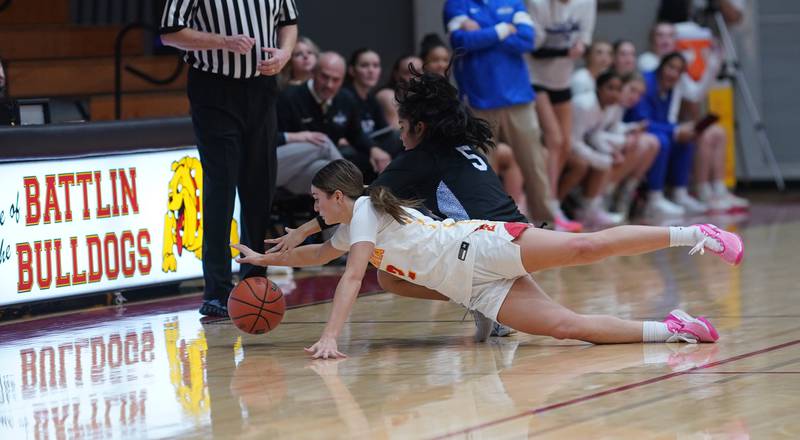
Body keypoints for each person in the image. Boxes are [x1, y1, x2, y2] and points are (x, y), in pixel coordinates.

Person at [234, 158, 742, 359]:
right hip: (474, 288)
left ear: (337, 196)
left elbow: (348, 279)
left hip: (481, 245)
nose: (314, 209)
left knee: (586, 246)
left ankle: (696, 231)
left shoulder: (364, 209)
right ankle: (677, 328)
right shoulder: (352, 224)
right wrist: (261, 256)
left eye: (318, 201)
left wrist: (329, 336)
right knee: (568, 328)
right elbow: (321, 251)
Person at [267, 69, 532, 340]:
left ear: (420, 128)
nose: (400, 137)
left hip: (489, 244)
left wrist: (303, 230)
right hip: (522, 232)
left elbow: (356, 197)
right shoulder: (465, 148)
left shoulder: (418, 159)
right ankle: (485, 294)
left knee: (390, 277)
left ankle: (477, 295)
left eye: (403, 128)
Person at [159, 0, 299, 317]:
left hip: (261, 87)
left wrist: (285, 53)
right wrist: (223, 41)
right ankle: (217, 291)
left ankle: (254, 283)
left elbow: (288, 21)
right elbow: (170, 33)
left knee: (259, 189)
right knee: (221, 188)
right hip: (214, 87)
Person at [444, 0, 553, 227]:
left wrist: (483, 34)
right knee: (483, 168)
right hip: (478, 100)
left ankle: (546, 224)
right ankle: (488, 226)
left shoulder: (512, 1)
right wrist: (504, 29)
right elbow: (461, 41)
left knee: (534, 164)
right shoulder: (456, 4)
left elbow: (527, 39)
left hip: (519, 98)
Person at [526, 0, 597, 232]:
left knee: (566, 145)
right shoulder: (537, 4)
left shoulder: (586, 3)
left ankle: (553, 203)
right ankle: (545, 209)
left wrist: (581, 48)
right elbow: (533, 48)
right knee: (554, 140)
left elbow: (584, 39)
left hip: (562, 79)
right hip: (534, 78)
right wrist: (567, 51)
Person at [277, 52, 393, 183]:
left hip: (309, 170)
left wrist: (373, 149)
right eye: (324, 77)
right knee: (322, 143)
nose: (329, 85)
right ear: (313, 72)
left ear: (343, 79)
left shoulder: (346, 99)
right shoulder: (289, 98)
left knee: (328, 173)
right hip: (287, 164)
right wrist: (299, 137)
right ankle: (351, 187)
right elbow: (274, 139)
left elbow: (355, 134)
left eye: (336, 80)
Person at [344, 48, 403, 157]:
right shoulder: (344, 97)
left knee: (402, 137)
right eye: (364, 65)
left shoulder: (371, 99)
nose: (371, 70)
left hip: (371, 146)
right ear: (352, 70)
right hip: (353, 149)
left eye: (375, 66)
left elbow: (385, 131)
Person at [375, 54, 423, 129]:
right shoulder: (387, 95)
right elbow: (398, 132)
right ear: (396, 75)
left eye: (419, 71)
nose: (414, 77)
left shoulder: (424, 96)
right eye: (408, 72)